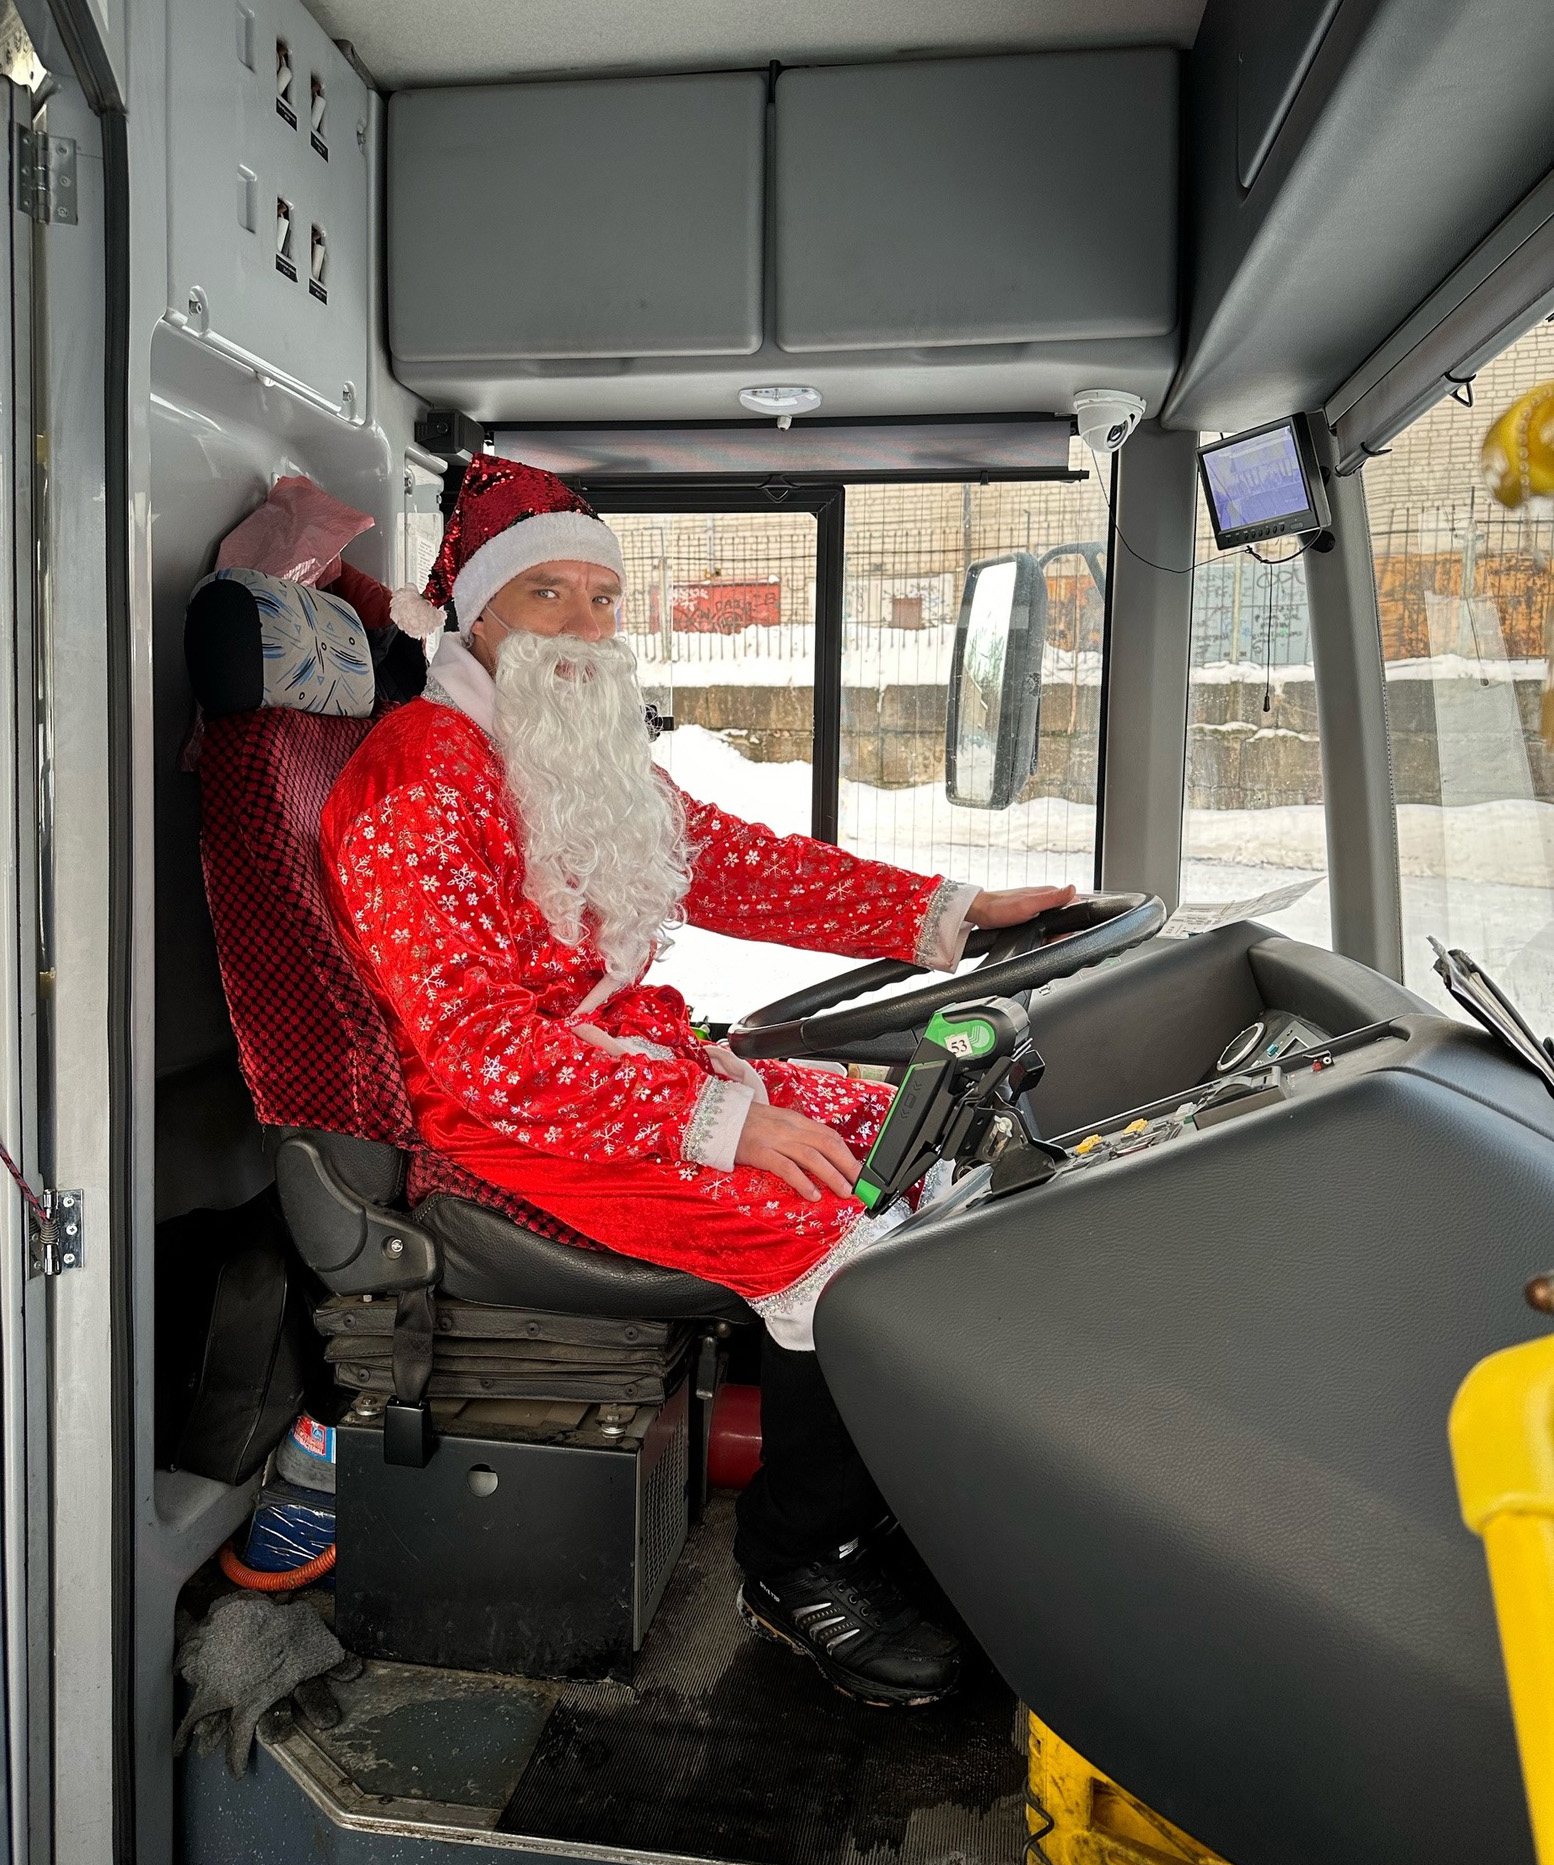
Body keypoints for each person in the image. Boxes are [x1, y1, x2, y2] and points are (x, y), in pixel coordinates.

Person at [321, 457, 1073, 1706]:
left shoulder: (560, 752)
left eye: (605, 599)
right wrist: (722, 1120)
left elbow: (734, 865)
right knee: (845, 1244)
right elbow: (479, 1055)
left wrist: (953, 911)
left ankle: (889, 1496)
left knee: (917, 1143)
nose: (586, 627)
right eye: (549, 595)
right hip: (506, 1124)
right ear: (480, 614)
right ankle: (797, 1563)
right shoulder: (417, 778)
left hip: (623, 1075)